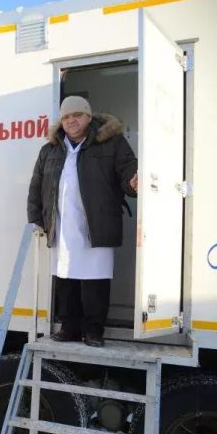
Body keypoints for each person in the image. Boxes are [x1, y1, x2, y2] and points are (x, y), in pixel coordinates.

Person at [27, 96, 138, 347]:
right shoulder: (50, 149)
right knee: (65, 278)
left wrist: (133, 182)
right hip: (61, 226)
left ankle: (93, 331)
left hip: (97, 224)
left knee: (95, 280)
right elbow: (36, 186)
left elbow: (127, 170)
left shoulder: (111, 143)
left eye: (77, 115)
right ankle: (69, 328)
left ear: (88, 116)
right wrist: (36, 218)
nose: (71, 121)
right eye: (66, 117)